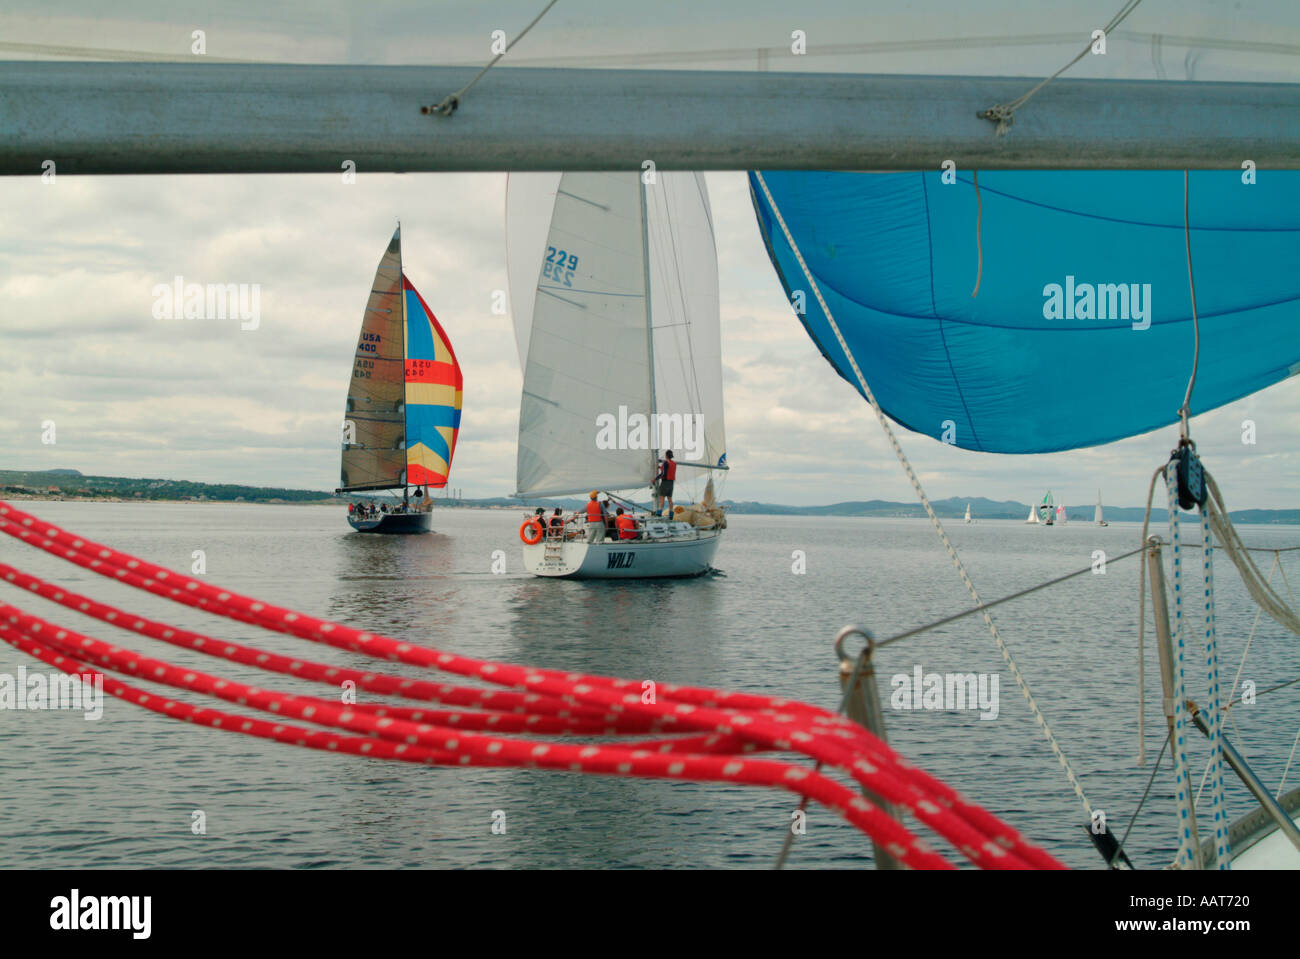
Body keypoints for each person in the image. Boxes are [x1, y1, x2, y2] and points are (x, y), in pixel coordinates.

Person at [655, 449, 677, 515]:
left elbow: (663, 474)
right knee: (670, 499)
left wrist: (655, 479)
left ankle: (659, 513)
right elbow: (668, 470)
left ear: (666, 455)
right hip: (671, 483)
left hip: (665, 483)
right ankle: (671, 514)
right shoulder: (674, 463)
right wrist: (660, 467)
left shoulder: (666, 462)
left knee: (662, 498)